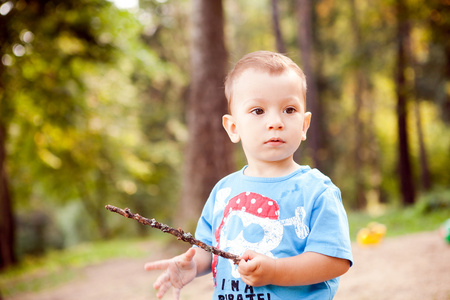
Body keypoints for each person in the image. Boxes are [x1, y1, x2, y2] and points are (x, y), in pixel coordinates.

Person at [144, 50, 353, 300]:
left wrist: (276, 271)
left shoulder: (317, 191)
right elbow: (209, 248)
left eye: (289, 109)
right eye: (258, 111)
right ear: (233, 128)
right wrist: (193, 264)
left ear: (304, 125)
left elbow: (335, 260)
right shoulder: (224, 190)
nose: (275, 121)